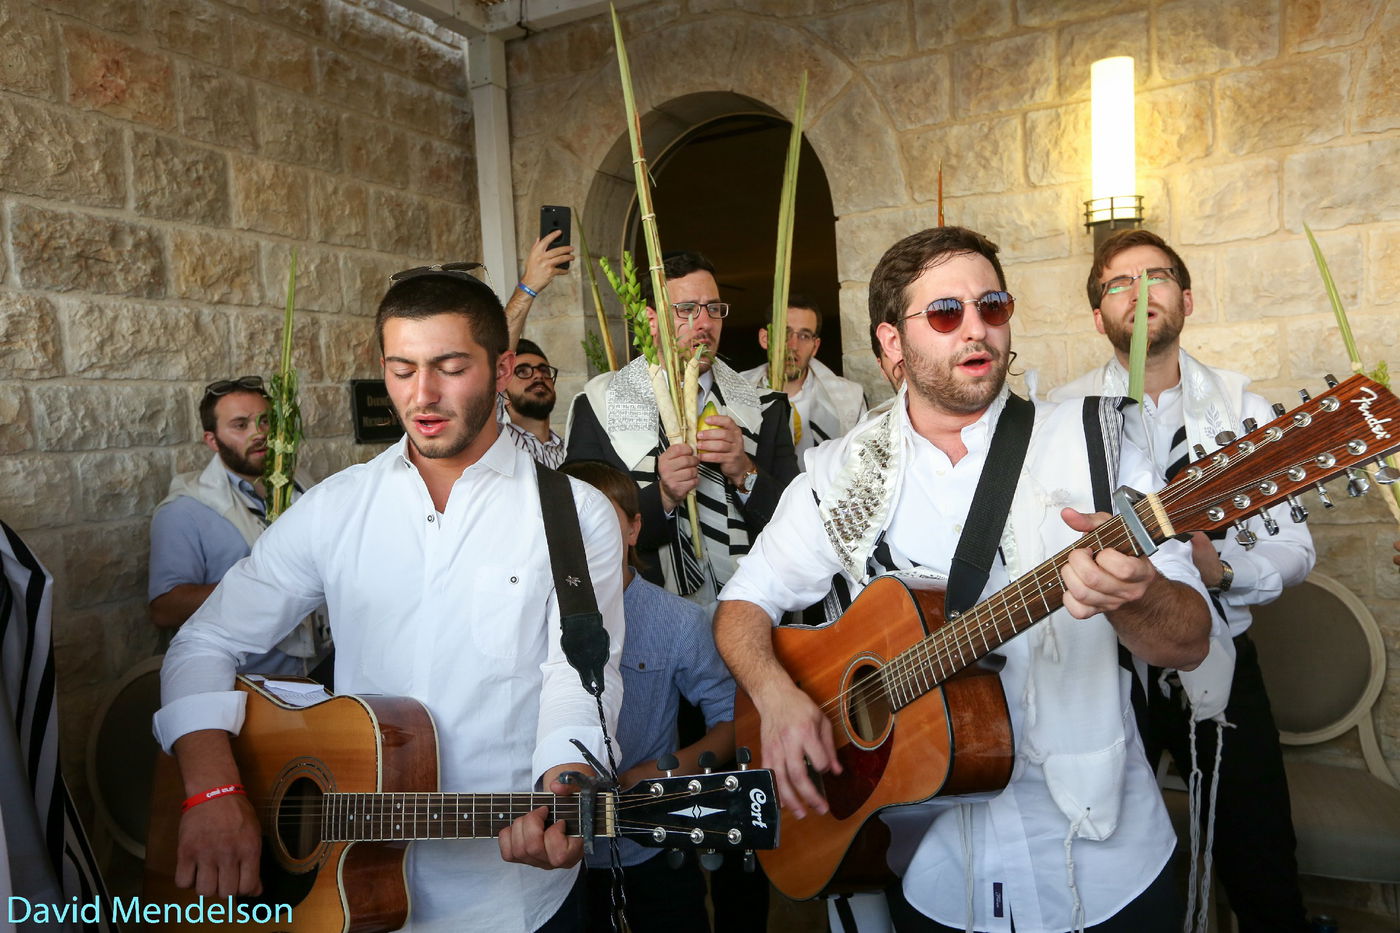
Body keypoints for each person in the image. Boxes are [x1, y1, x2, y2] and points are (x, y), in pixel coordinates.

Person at [714, 226, 1216, 933]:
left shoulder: (1095, 439)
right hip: (938, 876)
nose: (977, 329)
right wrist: (777, 697)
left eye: (993, 305)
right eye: (946, 314)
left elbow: (1190, 639)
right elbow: (741, 605)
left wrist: (1139, 597)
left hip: (1105, 866)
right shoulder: (839, 474)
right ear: (893, 343)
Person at [152, 267, 625, 932]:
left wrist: (567, 789)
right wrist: (213, 786)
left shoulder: (575, 516)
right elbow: (204, 640)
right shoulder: (337, 506)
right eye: (402, 369)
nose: (422, 394)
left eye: (450, 366)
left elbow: (579, 682)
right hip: (337, 892)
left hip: (512, 897)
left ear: (502, 366)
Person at [1048, 228, 1315, 933]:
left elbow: (1298, 547)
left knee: (1260, 856)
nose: (1139, 292)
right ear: (1096, 314)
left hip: (1219, 666)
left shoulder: (1245, 411)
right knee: (1102, 848)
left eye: (1157, 275)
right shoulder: (1057, 418)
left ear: (1187, 299)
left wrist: (1223, 571)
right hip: (1100, 668)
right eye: (1117, 283)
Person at [558, 460, 735, 933]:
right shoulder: (527, 619)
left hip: (651, 852)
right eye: (568, 525)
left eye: (601, 521)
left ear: (634, 528)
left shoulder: (679, 622)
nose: (584, 538)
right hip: (555, 862)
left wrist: (655, 774)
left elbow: (734, 723)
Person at [565, 250, 800, 605]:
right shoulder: (599, 405)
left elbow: (797, 523)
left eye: (714, 309)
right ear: (651, 320)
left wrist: (745, 472)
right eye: (687, 309)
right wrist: (661, 496)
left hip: (752, 602)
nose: (704, 322)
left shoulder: (764, 407)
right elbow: (582, 527)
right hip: (646, 611)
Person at [148, 376, 326, 676]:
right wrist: (262, 585)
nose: (260, 434)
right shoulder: (186, 509)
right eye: (241, 425)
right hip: (253, 680)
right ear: (212, 440)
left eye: (266, 421)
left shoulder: (301, 484)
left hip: (323, 665)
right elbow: (164, 608)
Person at [742, 295, 867, 465]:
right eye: (784, 333)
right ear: (765, 338)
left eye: (804, 336)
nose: (793, 346)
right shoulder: (735, 390)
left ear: (815, 346)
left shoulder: (850, 398)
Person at [503, 337, 566, 468]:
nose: (538, 375)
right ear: (503, 394)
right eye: (522, 371)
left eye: (544, 370)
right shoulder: (494, 445)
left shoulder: (571, 452)